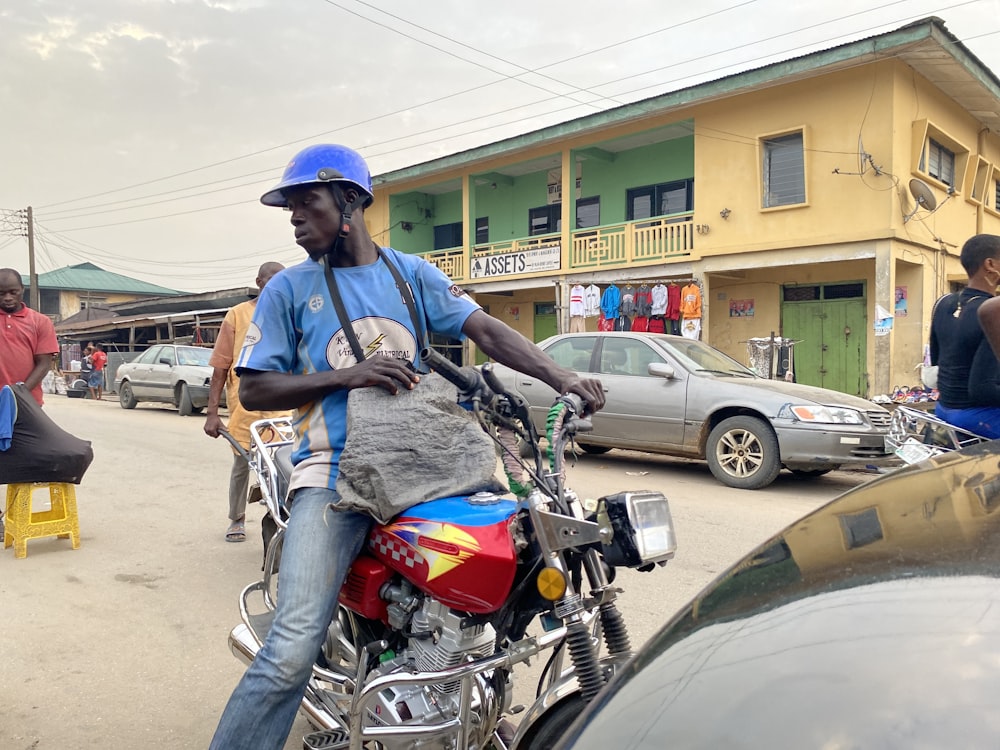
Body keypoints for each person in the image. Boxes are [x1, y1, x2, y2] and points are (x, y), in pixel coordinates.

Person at [209, 144, 606, 750]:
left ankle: (457, 691)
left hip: (427, 466)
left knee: (511, 578)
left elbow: (486, 330)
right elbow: (257, 387)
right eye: (288, 208)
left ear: (350, 201)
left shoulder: (411, 274)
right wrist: (348, 375)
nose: (293, 218)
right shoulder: (289, 289)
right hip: (333, 476)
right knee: (292, 648)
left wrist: (562, 377)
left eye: (304, 203)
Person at [204, 262, 288, 543]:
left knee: (285, 465)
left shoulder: (291, 314)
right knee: (243, 463)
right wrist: (212, 413)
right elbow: (219, 367)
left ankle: (282, 517)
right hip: (245, 405)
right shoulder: (237, 315)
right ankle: (236, 518)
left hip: (283, 405)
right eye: (271, 280)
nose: (276, 285)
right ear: (259, 282)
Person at [929, 234, 1000, 438]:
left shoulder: (943, 304)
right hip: (977, 415)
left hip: (944, 409)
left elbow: (936, 361)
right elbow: (982, 389)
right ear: (990, 264)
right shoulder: (992, 313)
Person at [0, 268, 59, 407]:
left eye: (13, 292)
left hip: (27, 402)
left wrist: (20, 394)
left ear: (22, 290)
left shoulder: (40, 322)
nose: (8, 297)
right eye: (1, 293)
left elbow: (44, 364)